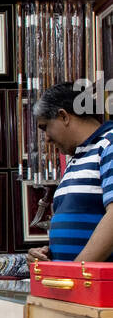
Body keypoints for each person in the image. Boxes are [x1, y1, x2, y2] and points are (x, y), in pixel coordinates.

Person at [27, 81, 113, 264]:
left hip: (95, 285)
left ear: (63, 116)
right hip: (75, 283)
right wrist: (48, 253)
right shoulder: (77, 157)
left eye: (45, 127)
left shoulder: (108, 144)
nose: (47, 138)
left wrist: (75, 272)